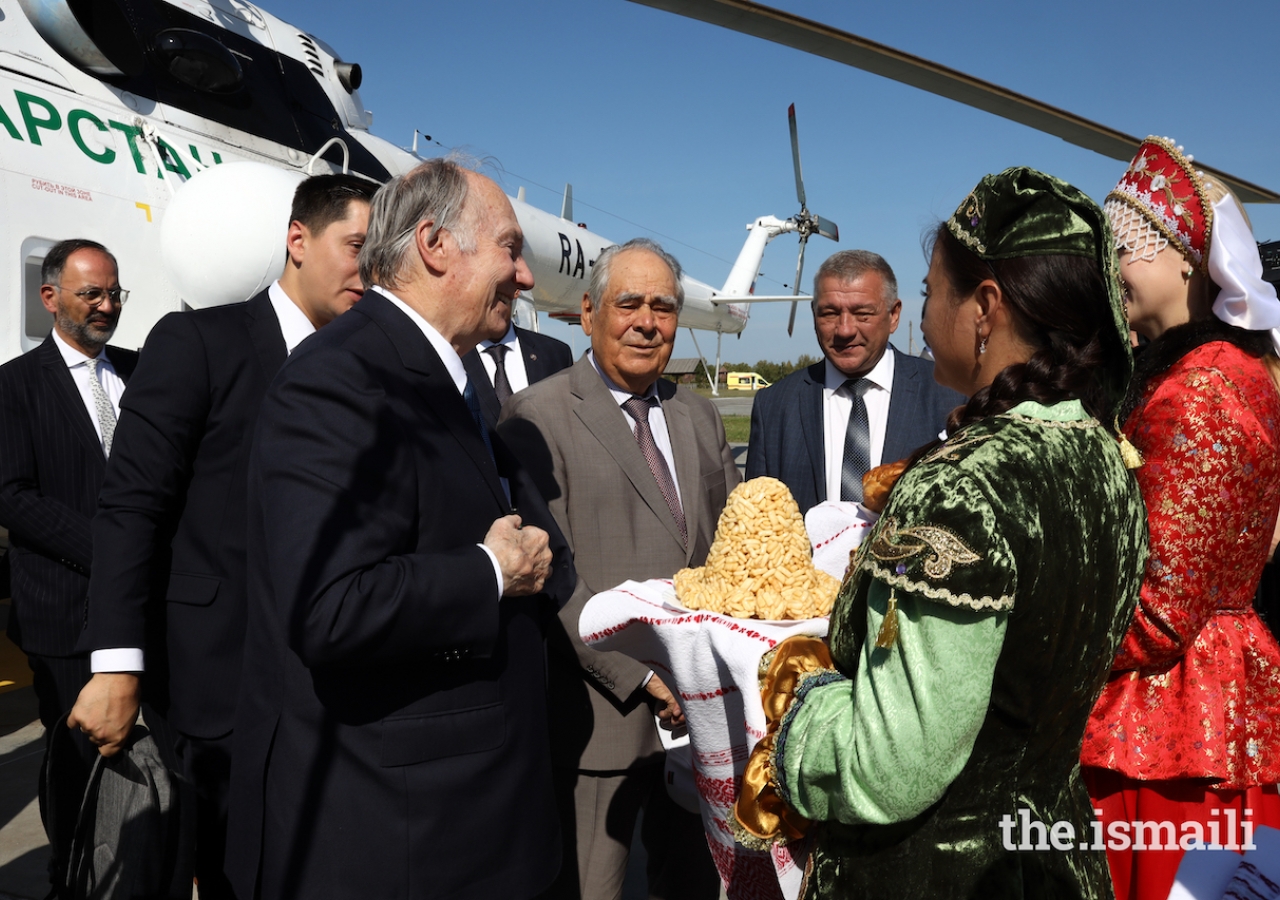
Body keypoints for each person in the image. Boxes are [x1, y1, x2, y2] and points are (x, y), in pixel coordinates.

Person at [734, 167, 1148, 899]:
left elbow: (887, 768)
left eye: (929, 294)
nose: (923, 319)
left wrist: (802, 707)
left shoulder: (960, 485)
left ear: (984, 307)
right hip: (1053, 857)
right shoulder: (1107, 456)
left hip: (939, 872)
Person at [225, 158, 575, 900]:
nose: (524, 276)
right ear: (435, 245)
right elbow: (330, 607)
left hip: (473, 815)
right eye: (511, 248)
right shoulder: (341, 379)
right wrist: (489, 572)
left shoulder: (447, 374)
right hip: (405, 836)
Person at [67, 173, 376, 899]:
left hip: (337, 687)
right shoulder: (200, 342)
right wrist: (116, 665)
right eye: (357, 245)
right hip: (218, 687)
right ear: (297, 240)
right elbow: (131, 507)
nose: (370, 267)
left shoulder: (369, 371)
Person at [498, 237, 735, 900]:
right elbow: (550, 578)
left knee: (693, 885)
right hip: (598, 726)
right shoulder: (536, 418)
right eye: (628, 302)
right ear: (588, 311)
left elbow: (719, 553)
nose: (646, 321)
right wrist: (645, 674)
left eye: (663, 307)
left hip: (701, 726)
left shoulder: (699, 415)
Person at [1081, 137, 1280, 900]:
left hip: (1167, 725)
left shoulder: (1201, 391)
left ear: (1190, 260)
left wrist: (1038, 645)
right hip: (1202, 708)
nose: (1111, 270)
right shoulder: (1216, 373)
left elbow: (1159, 614)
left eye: (1126, 248)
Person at [0, 239, 137, 893]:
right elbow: (12, 496)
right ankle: (71, 876)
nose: (107, 306)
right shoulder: (14, 386)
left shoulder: (142, 374)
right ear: (50, 297)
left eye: (115, 293)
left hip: (148, 610)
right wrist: (113, 553)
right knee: (73, 766)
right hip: (65, 615)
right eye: (93, 294)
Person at [746, 249, 962, 514]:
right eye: (829, 313)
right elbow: (757, 527)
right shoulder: (774, 407)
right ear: (814, 314)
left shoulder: (950, 396)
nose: (845, 330)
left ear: (893, 315)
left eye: (863, 314)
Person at [462, 317, 574, 425]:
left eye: (500, 296)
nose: (492, 300)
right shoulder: (452, 357)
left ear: (515, 296)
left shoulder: (556, 354)